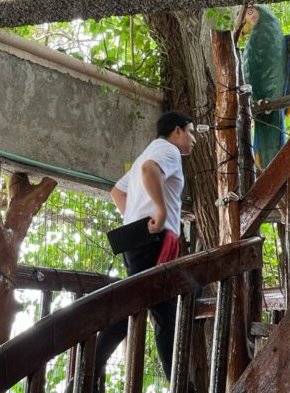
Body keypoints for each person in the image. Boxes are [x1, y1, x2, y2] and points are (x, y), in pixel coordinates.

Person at [93, 110, 196, 390]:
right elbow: (150, 170)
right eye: (190, 131)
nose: (193, 139)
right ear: (177, 131)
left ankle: (91, 370)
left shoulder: (147, 152)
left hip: (137, 240)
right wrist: (159, 212)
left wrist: (136, 219)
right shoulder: (168, 150)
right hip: (153, 241)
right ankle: (91, 370)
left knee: (156, 310)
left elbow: (118, 191)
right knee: (159, 314)